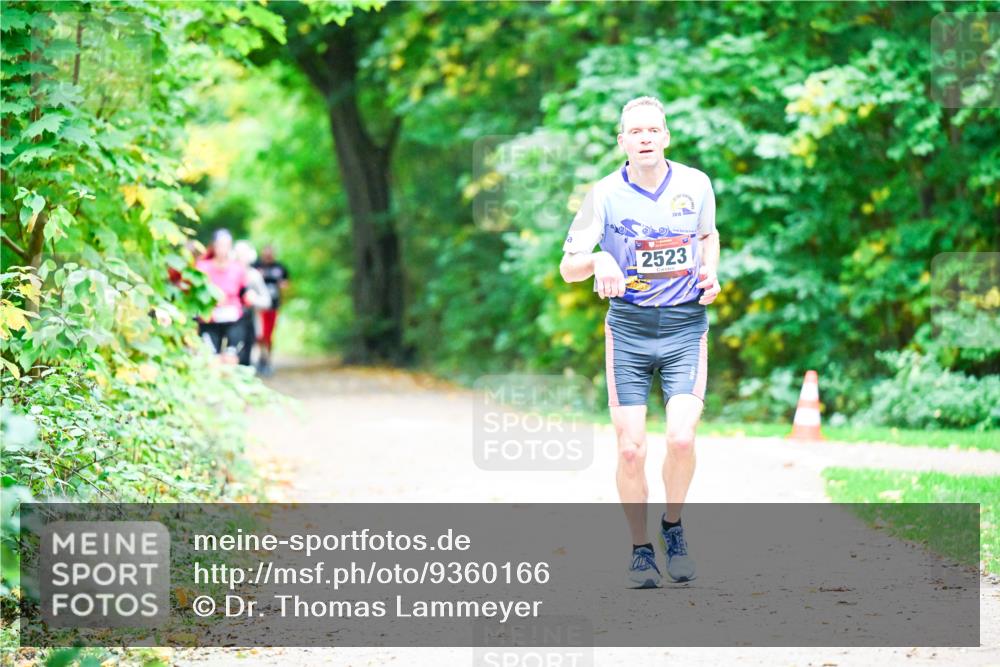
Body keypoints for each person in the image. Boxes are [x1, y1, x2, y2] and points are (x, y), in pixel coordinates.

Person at [559, 96, 721, 588]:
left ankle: (672, 527)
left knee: (681, 437)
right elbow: (569, 267)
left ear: (666, 137)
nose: (646, 138)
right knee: (630, 450)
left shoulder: (696, 184)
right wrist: (599, 261)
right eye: (636, 131)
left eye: (654, 130)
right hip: (627, 332)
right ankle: (640, 549)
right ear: (622, 141)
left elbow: (707, 236)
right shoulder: (604, 194)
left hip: (683, 328)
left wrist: (711, 271)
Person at [196, 229, 248, 363]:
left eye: (226, 245)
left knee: (230, 358)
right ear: (213, 246)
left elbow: (244, 294)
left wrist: (250, 297)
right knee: (211, 361)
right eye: (220, 245)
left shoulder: (238, 269)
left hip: (233, 319)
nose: (223, 249)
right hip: (209, 319)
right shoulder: (202, 267)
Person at [233, 240, 272, 368]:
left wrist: (254, 299)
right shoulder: (228, 273)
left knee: (246, 358)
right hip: (228, 322)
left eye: (244, 255)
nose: (241, 258)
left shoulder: (254, 276)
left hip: (249, 322)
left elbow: (267, 301)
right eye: (239, 254)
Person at [252, 245, 289, 376]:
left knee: (269, 334)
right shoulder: (255, 266)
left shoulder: (280, 267)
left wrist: (282, 286)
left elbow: (286, 284)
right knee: (259, 334)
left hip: (273, 306)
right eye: (266, 253)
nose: (268, 255)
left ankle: (267, 360)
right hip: (258, 307)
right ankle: (260, 359)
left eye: (270, 253)